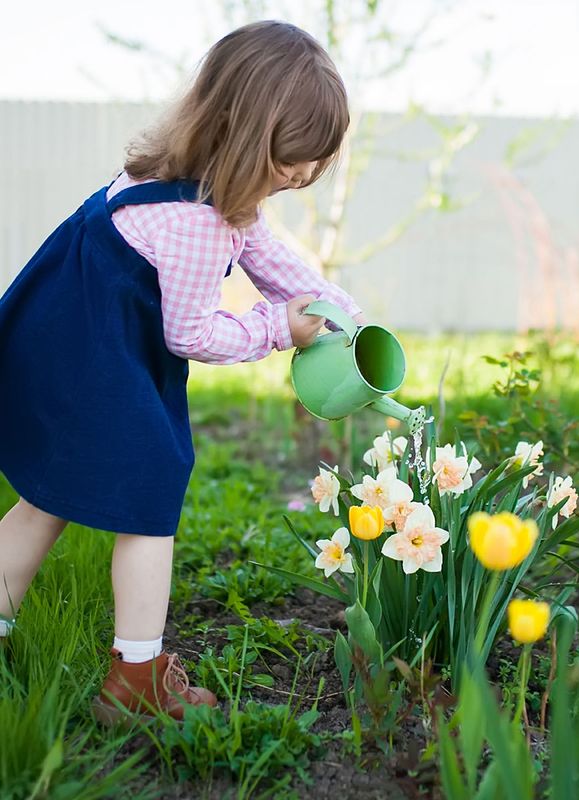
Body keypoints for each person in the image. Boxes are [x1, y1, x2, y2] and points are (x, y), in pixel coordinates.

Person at [0, 20, 364, 725]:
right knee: (150, 497)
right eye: (291, 161)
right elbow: (191, 333)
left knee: (47, 499)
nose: (299, 176)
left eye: (311, 165)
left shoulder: (188, 179)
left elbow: (266, 255)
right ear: (247, 133)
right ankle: (134, 677)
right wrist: (277, 331)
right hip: (92, 363)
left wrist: (337, 309)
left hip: (69, 345)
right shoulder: (194, 222)